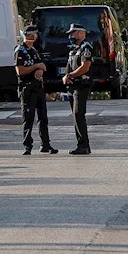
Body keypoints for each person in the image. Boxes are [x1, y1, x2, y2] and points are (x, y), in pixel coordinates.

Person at [15, 25, 57, 156]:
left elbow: (42, 65)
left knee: (43, 117)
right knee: (28, 117)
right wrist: (36, 67)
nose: (36, 36)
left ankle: (45, 144)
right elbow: (20, 71)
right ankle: (27, 145)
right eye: (34, 34)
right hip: (27, 87)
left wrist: (39, 68)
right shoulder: (20, 51)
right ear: (29, 35)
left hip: (38, 87)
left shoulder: (34, 50)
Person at [63, 23, 94, 155]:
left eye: (74, 33)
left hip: (82, 85)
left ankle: (84, 145)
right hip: (72, 85)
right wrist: (67, 76)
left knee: (78, 114)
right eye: (70, 33)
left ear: (82, 34)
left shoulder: (86, 47)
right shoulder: (74, 49)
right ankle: (81, 144)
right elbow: (70, 65)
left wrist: (70, 75)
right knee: (76, 116)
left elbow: (85, 67)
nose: (71, 36)